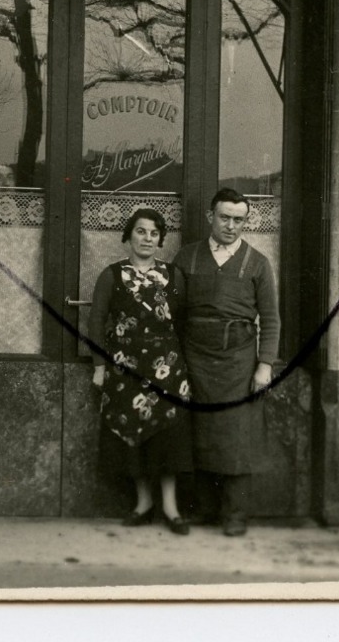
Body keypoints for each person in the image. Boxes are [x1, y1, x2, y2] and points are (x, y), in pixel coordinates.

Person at [171, 188, 280, 537]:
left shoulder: (258, 263)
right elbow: (172, 313)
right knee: (199, 433)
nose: (231, 226)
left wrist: (264, 366)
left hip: (239, 361)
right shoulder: (186, 258)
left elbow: (272, 319)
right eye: (224, 218)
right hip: (195, 358)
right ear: (210, 217)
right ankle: (203, 509)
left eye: (238, 220)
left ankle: (234, 514)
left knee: (236, 437)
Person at [90, 207, 192, 535]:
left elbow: (184, 323)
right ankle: (143, 503)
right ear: (129, 236)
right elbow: (96, 321)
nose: (147, 238)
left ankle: (171, 508)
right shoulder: (112, 275)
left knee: (169, 436)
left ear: (161, 239)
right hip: (126, 370)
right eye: (140, 231)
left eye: (153, 233)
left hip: (167, 370)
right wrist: (99, 366)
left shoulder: (174, 276)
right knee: (131, 435)